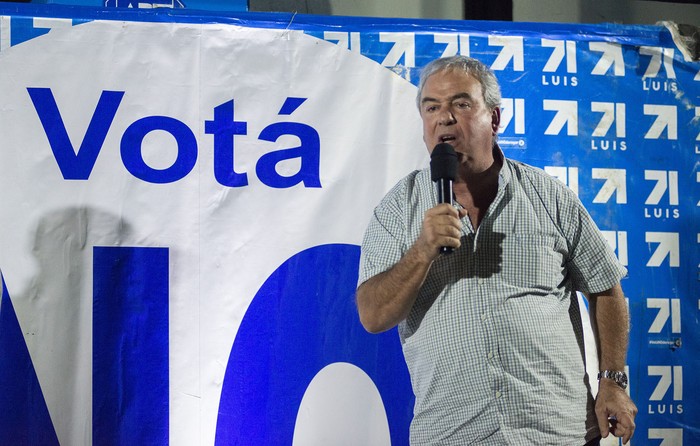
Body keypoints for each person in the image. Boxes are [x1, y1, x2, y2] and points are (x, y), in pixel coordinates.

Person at [355, 55, 637, 445]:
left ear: (495, 119)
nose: (445, 118)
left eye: (461, 104)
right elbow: (372, 315)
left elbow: (606, 288)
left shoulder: (548, 196)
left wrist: (613, 380)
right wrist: (422, 251)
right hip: (454, 434)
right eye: (431, 107)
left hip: (557, 432)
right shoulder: (397, 209)